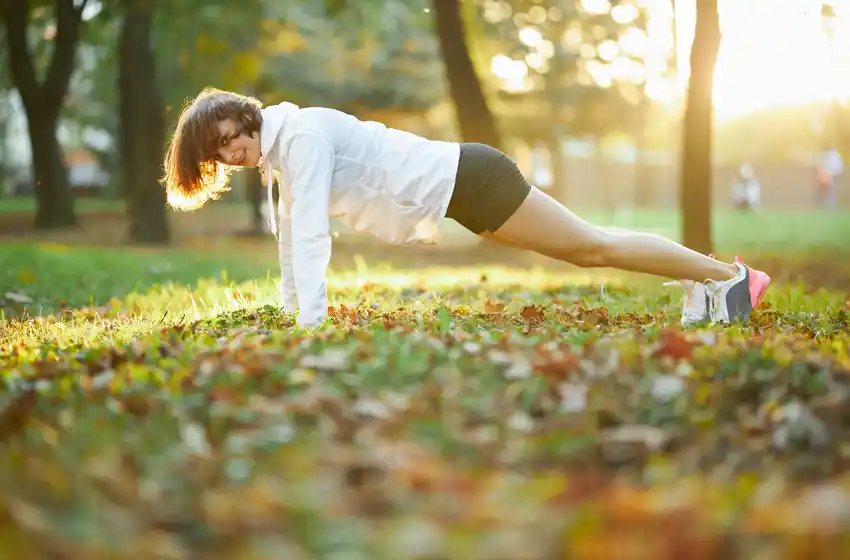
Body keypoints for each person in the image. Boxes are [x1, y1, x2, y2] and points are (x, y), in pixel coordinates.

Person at [161, 88, 771, 328]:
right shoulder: (284, 150)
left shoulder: (301, 139)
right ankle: (713, 281)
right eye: (218, 156)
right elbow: (290, 236)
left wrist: (310, 327)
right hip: (461, 193)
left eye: (227, 141)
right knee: (589, 244)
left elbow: (313, 238)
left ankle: (728, 280)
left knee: (591, 247)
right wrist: (290, 312)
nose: (231, 156)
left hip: (472, 180)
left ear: (244, 118)